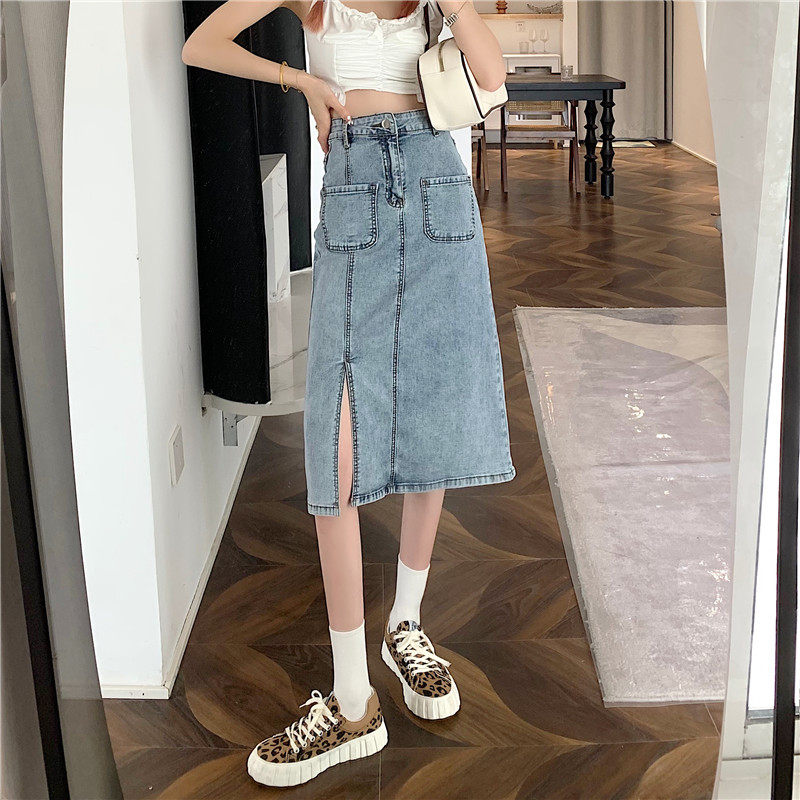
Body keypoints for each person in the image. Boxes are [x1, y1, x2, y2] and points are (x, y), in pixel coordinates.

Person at [182, 0, 514, 786]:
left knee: (431, 415)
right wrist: (301, 82)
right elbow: (203, 44)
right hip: (356, 195)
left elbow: (493, 78)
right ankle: (352, 699)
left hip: (439, 190)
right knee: (333, 450)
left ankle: (406, 624)